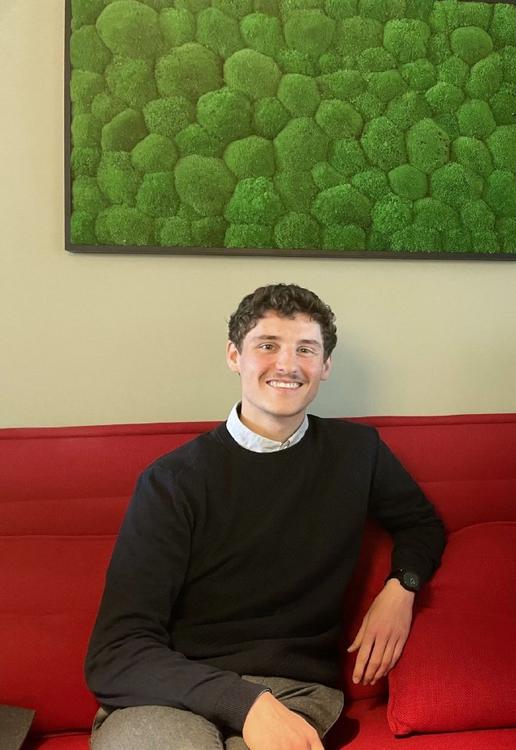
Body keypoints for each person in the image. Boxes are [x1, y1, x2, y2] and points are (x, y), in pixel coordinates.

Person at [85, 283, 445, 750]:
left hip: (295, 690)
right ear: (234, 356)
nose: (287, 365)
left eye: (306, 349)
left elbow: (422, 524)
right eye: (267, 345)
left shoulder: (359, 453)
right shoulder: (173, 481)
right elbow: (115, 652)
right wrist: (246, 703)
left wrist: (402, 587)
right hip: (171, 695)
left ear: (326, 365)